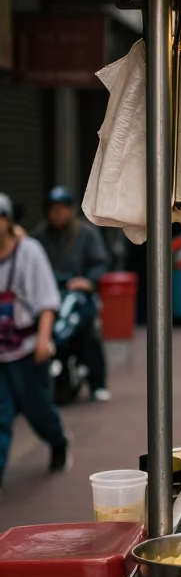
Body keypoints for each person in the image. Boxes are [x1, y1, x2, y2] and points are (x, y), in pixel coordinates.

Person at [0, 192, 72, 491]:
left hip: (29, 351)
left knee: (38, 409)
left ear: (6, 221)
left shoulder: (29, 252)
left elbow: (47, 301)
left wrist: (44, 339)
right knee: (0, 417)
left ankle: (58, 441)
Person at [34, 186, 111, 401]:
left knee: (89, 335)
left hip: (79, 298)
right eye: (52, 209)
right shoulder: (40, 236)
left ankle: (98, 384)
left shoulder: (86, 233)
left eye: (61, 209)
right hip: (49, 297)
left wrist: (87, 281)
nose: (57, 214)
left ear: (70, 210)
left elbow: (100, 263)